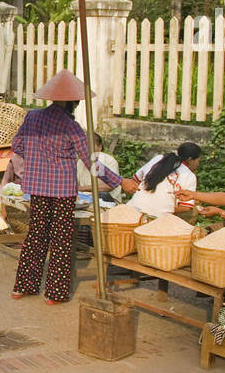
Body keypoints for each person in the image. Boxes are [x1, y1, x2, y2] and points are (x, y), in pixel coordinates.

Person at [10, 71, 137, 305]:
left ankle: (23, 287)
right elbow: (92, 163)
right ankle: (54, 294)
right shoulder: (72, 126)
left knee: (35, 236)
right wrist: (121, 181)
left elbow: (17, 145)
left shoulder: (32, 117)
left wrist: (39, 157)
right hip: (62, 192)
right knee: (60, 241)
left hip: (37, 188)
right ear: (74, 103)